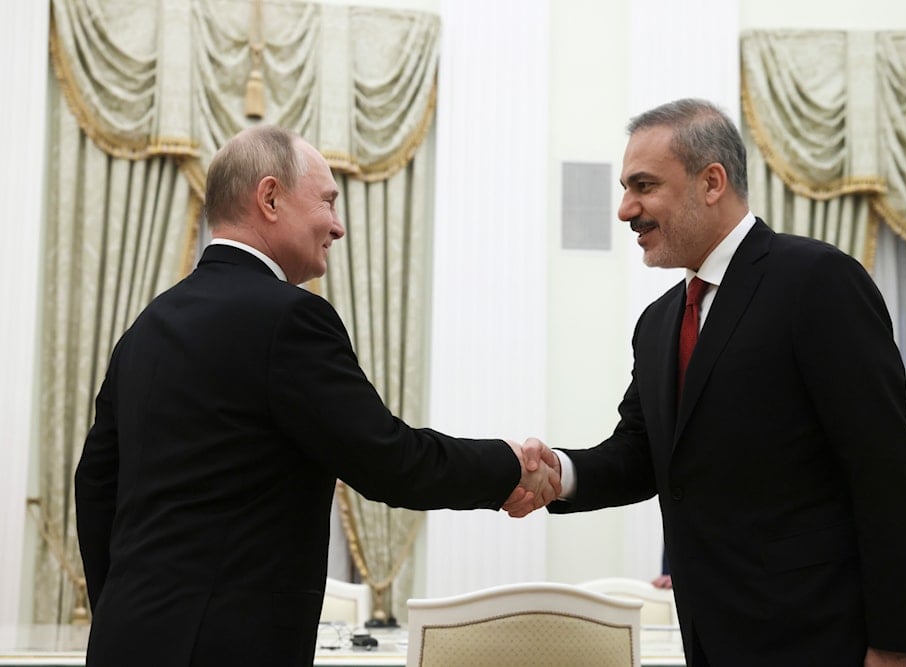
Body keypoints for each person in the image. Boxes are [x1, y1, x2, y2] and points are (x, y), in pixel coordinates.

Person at [74, 125, 560, 667]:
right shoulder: (290, 317)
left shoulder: (147, 325)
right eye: (327, 201)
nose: (338, 225)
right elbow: (388, 460)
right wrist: (509, 465)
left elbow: (95, 485)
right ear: (270, 197)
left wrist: (125, 608)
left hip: (125, 640)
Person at [515, 99, 906, 665]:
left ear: (711, 181)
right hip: (711, 637)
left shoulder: (817, 280)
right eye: (625, 188)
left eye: (643, 185)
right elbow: (644, 454)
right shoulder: (659, 322)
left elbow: (885, 468)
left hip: (824, 637)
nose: (625, 210)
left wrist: (900, 643)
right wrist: (559, 473)